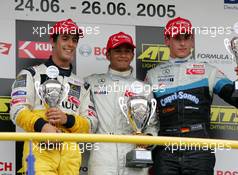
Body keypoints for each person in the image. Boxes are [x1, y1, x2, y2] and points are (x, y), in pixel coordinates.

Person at [145, 17, 238, 175]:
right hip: (165, 147)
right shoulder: (153, 75)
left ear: (193, 40)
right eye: (177, 38)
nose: (182, 43)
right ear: (167, 40)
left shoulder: (208, 71)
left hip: (199, 146)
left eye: (187, 38)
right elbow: (146, 118)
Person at [10, 19, 98, 175]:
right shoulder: (31, 74)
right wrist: (43, 126)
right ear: (52, 41)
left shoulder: (82, 85)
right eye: (65, 38)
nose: (70, 44)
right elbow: (17, 111)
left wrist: (68, 120)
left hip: (70, 159)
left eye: (74, 40)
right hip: (38, 153)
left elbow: (91, 125)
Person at [84, 32, 158, 175]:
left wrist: (148, 139)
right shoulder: (91, 82)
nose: (123, 55)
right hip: (102, 155)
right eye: (117, 51)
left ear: (132, 55)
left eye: (127, 51)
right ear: (107, 55)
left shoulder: (144, 88)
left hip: (134, 153)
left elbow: (153, 125)